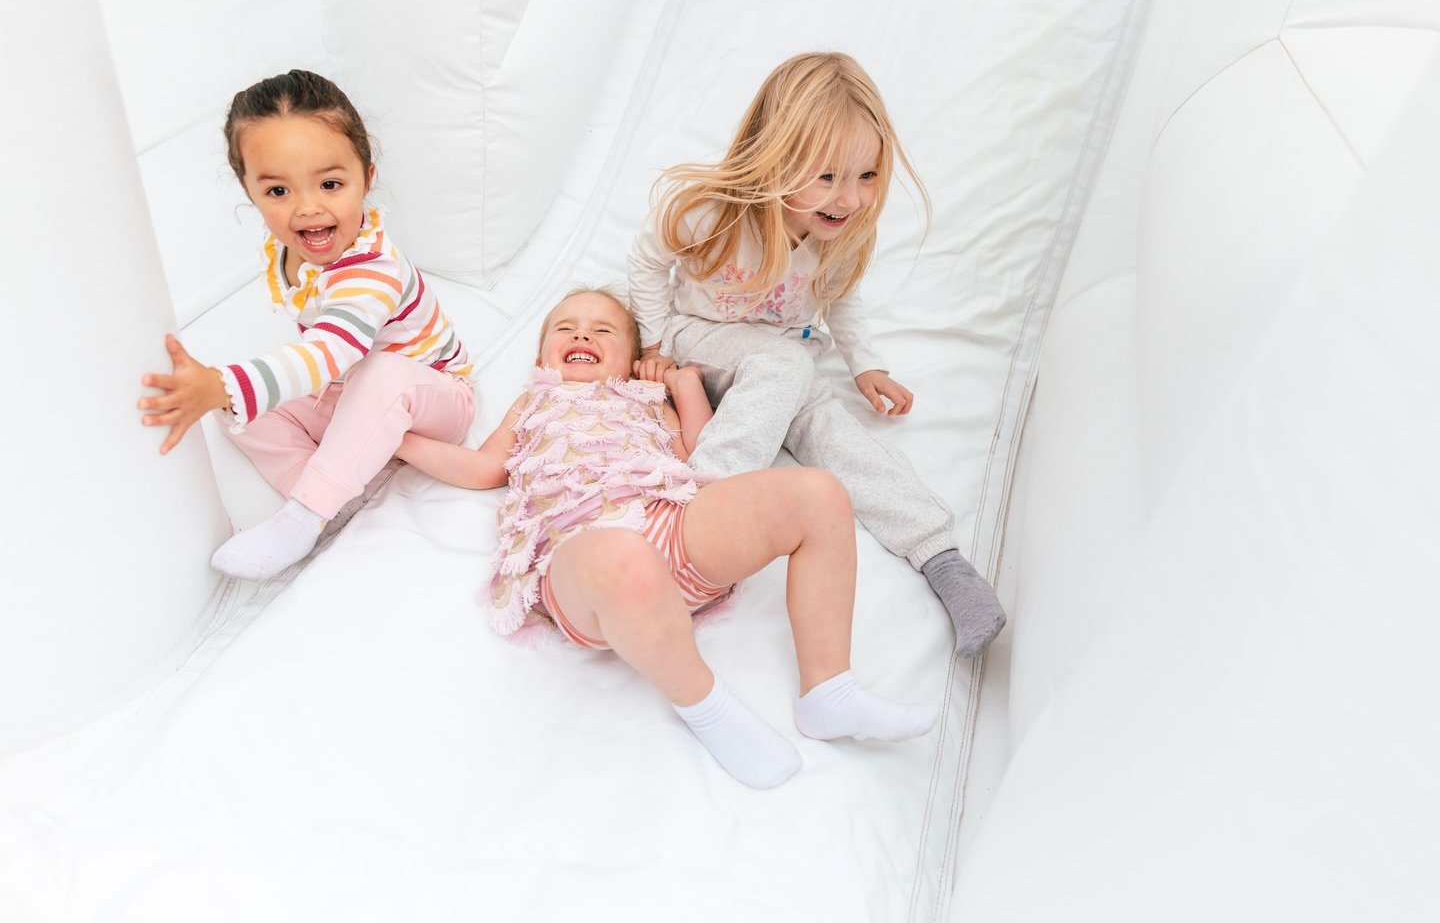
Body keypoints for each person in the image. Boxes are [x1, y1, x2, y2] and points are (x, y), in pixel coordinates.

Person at [396, 288, 937, 789]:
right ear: (542, 358)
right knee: (621, 557)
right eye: (566, 328)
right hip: (584, 561)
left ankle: (829, 688)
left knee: (818, 494)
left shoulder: (649, 396)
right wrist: (402, 440)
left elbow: (705, 457)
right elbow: (484, 468)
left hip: (672, 527)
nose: (583, 336)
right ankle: (706, 704)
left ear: (633, 358)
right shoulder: (534, 402)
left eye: (604, 331)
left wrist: (681, 387)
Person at [627, 51, 1005, 657]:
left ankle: (943, 560)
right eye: (827, 176)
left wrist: (864, 365)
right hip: (699, 340)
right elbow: (648, 261)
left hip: (780, 364)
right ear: (775, 156)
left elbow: (842, 300)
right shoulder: (710, 213)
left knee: (837, 435)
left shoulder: (843, 235)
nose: (849, 198)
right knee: (786, 364)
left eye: (867, 176)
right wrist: (651, 340)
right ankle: (703, 503)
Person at [138, 69, 475, 581]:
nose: (308, 207)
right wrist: (228, 392)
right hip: (348, 387)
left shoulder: (370, 272)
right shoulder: (286, 251)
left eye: (331, 184)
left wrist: (223, 383)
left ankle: (304, 516)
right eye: (278, 190)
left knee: (375, 373)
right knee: (242, 413)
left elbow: (327, 355)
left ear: (368, 174)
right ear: (249, 190)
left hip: (432, 398)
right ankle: (327, 494)